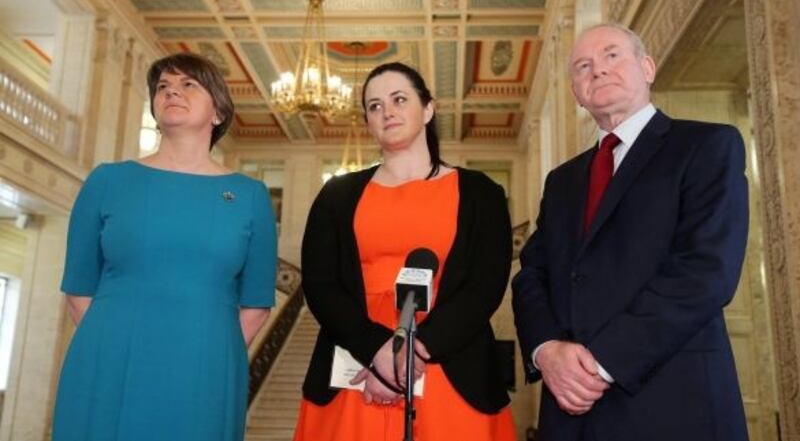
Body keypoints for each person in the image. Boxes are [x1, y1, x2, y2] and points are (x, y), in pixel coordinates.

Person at [512, 23, 749, 441]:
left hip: (674, 400)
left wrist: (600, 363)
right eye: (583, 66)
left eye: (611, 55)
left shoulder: (706, 145)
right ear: (576, 92)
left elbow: (705, 270)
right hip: (571, 410)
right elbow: (532, 274)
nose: (597, 70)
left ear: (648, 68)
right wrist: (546, 351)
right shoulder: (561, 180)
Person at [52, 53, 277, 441]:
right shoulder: (107, 181)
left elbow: (256, 303)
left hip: (206, 364)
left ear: (219, 112)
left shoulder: (250, 195)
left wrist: (205, 349)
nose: (172, 90)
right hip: (109, 359)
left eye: (189, 84)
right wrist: (115, 343)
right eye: (163, 87)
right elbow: (79, 288)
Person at [293, 62, 516, 441]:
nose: (387, 111)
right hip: (355, 361)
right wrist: (377, 350)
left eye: (399, 99)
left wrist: (414, 352)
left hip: (448, 361)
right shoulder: (337, 195)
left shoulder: (481, 193)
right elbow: (320, 284)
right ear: (368, 121)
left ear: (428, 109)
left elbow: (486, 284)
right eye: (375, 106)